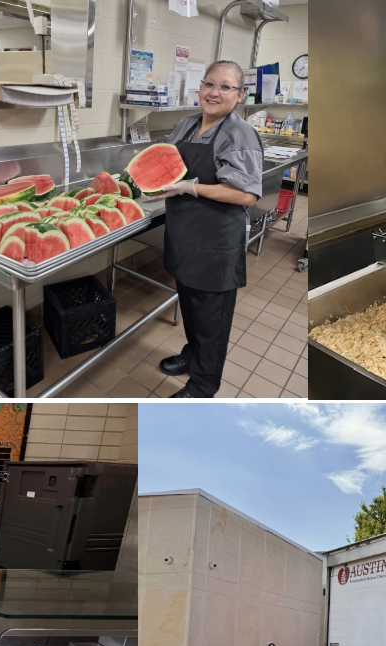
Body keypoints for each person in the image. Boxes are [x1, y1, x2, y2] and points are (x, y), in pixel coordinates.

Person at [152, 60, 264, 398]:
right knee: (190, 308)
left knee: (212, 321)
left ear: (239, 95)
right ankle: (192, 355)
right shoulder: (186, 125)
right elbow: (169, 169)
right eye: (209, 84)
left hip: (215, 244)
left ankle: (203, 385)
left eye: (225, 86)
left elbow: (246, 193)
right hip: (184, 237)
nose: (214, 92)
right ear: (199, 88)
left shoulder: (238, 132)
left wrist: (192, 187)